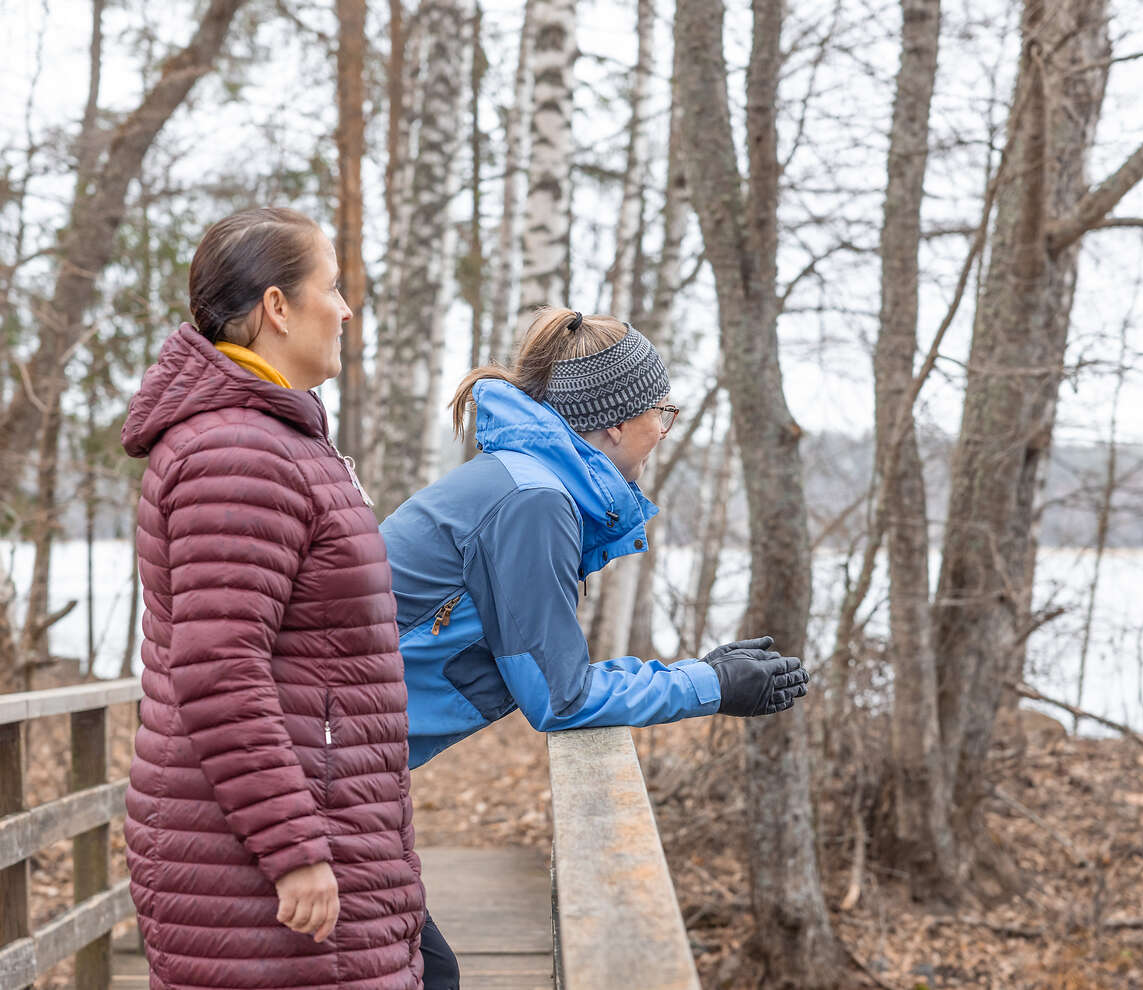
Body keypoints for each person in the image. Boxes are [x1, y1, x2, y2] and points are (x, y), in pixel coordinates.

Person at [379, 307, 811, 975]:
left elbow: (549, 672)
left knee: (423, 970)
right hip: (320, 766)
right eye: (661, 413)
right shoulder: (533, 502)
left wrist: (702, 671)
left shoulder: (522, 482)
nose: (663, 430)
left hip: (344, 765)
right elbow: (562, 699)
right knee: (425, 973)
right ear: (615, 422)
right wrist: (711, 685)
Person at [121, 207, 431, 990]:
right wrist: (293, 849)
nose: (347, 310)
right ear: (277, 308)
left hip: (315, 827)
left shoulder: (278, 439)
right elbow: (220, 669)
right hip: (259, 858)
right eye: (333, 288)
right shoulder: (238, 452)